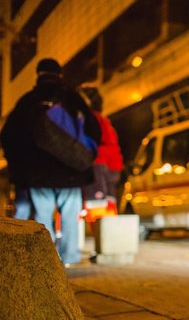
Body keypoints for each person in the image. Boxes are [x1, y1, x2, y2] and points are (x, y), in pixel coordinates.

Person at [0, 58, 100, 265]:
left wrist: (20, 167)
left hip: (39, 173)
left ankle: (45, 259)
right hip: (70, 170)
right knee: (70, 217)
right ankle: (69, 259)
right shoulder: (73, 99)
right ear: (59, 74)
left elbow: (8, 136)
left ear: (38, 74)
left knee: (43, 217)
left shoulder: (27, 101)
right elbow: (93, 129)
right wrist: (85, 156)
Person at [78, 86, 124, 222]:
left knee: (96, 205)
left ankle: (100, 233)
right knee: (108, 204)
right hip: (112, 167)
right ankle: (108, 236)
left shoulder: (90, 120)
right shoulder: (104, 121)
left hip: (98, 166)